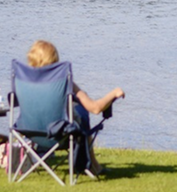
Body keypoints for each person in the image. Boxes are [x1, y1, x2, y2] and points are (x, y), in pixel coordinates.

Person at [26, 40, 124, 176]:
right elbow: (95, 108)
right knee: (80, 113)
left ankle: (92, 165)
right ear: (55, 61)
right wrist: (114, 93)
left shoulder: (25, 83)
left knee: (76, 111)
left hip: (32, 134)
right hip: (59, 137)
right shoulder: (64, 83)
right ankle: (92, 166)